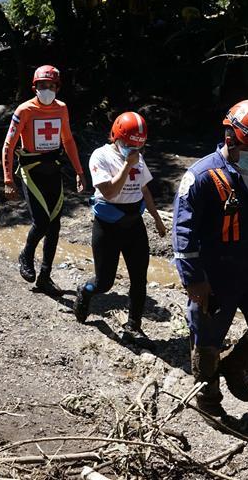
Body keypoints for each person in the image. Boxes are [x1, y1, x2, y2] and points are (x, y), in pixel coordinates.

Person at [171, 99, 248, 419]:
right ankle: (208, 399)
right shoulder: (201, 177)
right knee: (207, 343)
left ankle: (236, 364)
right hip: (215, 276)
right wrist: (193, 280)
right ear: (230, 138)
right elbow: (182, 234)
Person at [73, 112, 167, 344]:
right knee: (104, 283)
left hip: (134, 224)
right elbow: (109, 192)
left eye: (137, 145)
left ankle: (133, 326)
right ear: (115, 136)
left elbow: (144, 190)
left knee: (139, 278)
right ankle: (85, 291)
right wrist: (127, 164)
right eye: (127, 144)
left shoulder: (137, 158)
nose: (132, 149)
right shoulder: (101, 156)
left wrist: (156, 218)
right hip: (108, 227)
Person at [2, 65, 87, 296]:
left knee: (55, 226)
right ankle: (26, 254)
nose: (46, 89)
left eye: (50, 86)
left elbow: (67, 140)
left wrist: (79, 171)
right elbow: (9, 145)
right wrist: (9, 180)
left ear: (57, 87)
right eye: (42, 85)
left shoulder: (62, 109)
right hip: (31, 172)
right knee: (41, 222)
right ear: (35, 87)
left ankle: (45, 276)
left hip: (54, 171)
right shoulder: (25, 110)